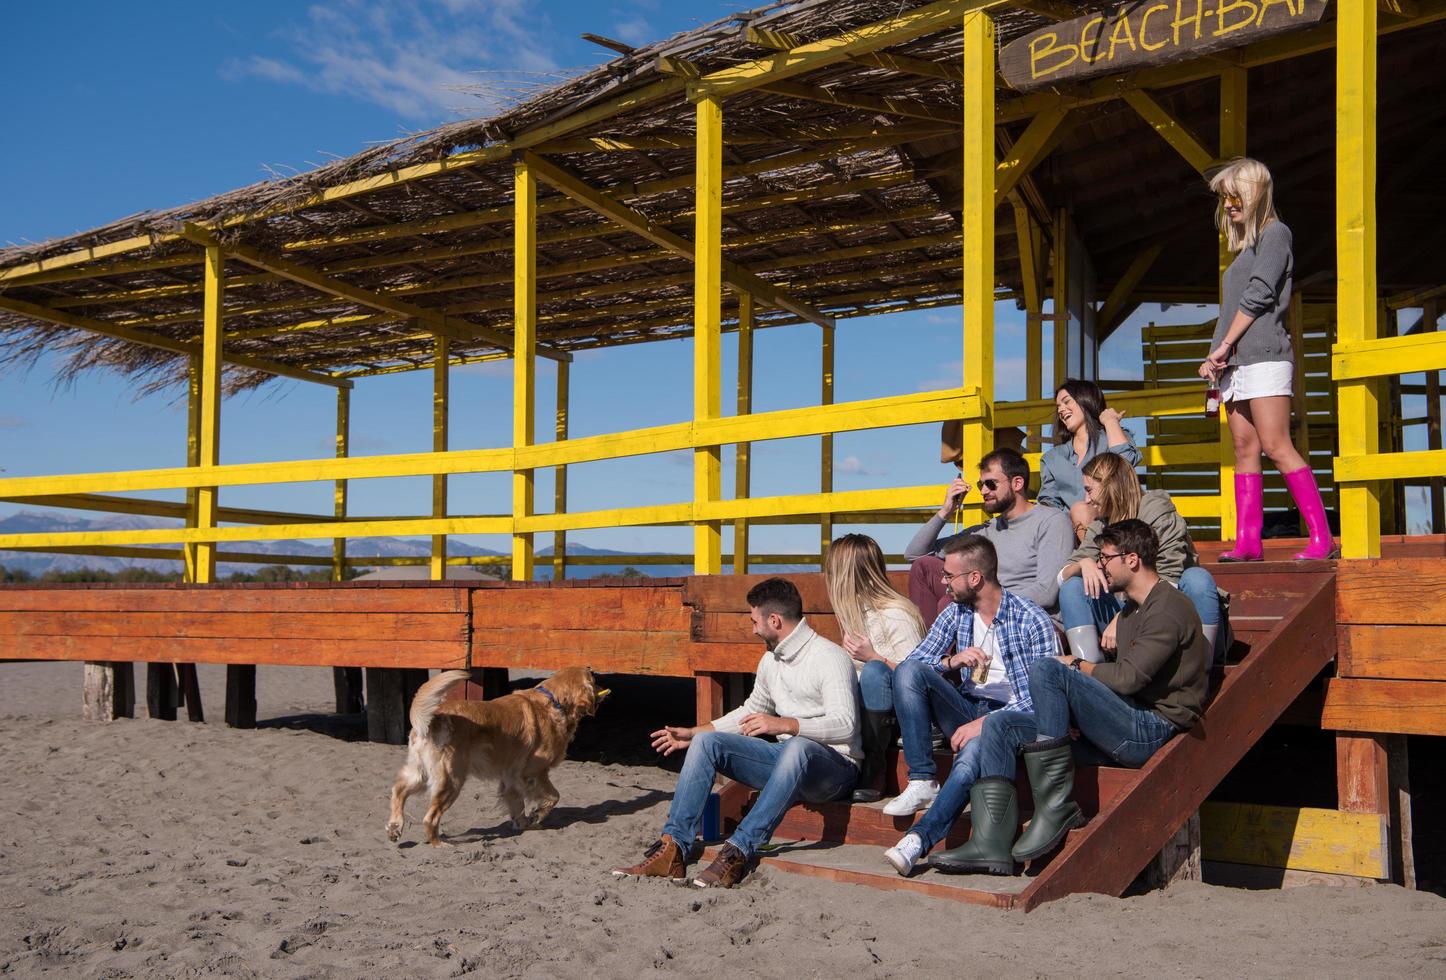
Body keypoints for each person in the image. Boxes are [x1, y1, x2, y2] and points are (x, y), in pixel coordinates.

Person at [937, 519, 1209, 875]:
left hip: (1151, 729)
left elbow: (1128, 679)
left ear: (1131, 559)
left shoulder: (1169, 607)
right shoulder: (1132, 609)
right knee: (1001, 724)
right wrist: (1079, 715)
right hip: (1125, 716)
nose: (1098, 565)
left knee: (1049, 669)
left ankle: (1055, 806)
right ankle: (990, 843)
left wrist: (1075, 664)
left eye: (1105, 558)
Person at [612, 577, 860, 889]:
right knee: (706, 743)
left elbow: (846, 723)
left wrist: (787, 724)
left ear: (774, 620)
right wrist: (693, 733)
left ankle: (738, 850)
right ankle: (673, 849)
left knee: (798, 747)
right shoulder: (771, 659)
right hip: (785, 760)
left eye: (755, 621)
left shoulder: (829, 657)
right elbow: (748, 710)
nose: (753, 629)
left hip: (834, 769)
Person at [878, 536, 1058, 859]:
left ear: (975, 578)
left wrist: (983, 724)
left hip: (1012, 719)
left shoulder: (1031, 619)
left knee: (969, 759)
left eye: (949, 575)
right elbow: (913, 663)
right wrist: (952, 661)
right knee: (908, 673)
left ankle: (917, 840)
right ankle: (921, 779)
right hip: (968, 706)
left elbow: (1042, 699)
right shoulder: (957, 613)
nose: (944, 582)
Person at [1198, 157, 1337, 561]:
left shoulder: (1277, 234)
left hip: (1264, 356)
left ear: (1256, 191)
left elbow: (1259, 294)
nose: (1228, 204)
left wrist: (1224, 345)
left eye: (1234, 195)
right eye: (1224, 198)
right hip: (1234, 363)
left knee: (1276, 445)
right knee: (1244, 448)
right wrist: (1216, 355)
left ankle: (1322, 538)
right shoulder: (1243, 250)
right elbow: (1232, 309)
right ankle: (1247, 543)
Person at [1058, 453, 1221, 664]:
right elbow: (1061, 577)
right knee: (1073, 586)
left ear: (1111, 485)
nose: (1086, 500)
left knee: (1197, 578)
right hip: (1128, 621)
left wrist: (1124, 617)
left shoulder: (1157, 511)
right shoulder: (1101, 523)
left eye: (1090, 490)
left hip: (1171, 617)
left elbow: (1169, 578)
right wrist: (1083, 563)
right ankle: (1088, 673)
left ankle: (1201, 667)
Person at [906, 448, 1074, 625]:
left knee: (951, 602)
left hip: (1031, 620)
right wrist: (946, 510)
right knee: (924, 567)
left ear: (1017, 483)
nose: (983, 491)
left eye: (991, 484)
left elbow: (1046, 593)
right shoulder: (986, 530)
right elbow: (915, 554)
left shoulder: (1051, 521)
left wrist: (983, 600)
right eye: (981, 485)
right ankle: (934, 648)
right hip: (985, 614)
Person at [824, 533, 925, 803]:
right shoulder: (853, 612)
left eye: (832, 570)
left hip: (894, 719)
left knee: (874, 672)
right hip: (860, 714)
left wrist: (873, 656)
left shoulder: (896, 613)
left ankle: (875, 765)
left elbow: (916, 678)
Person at [1038, 379, 1140, 538]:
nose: (1061, 410)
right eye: (1058, 406)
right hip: (1070, 531)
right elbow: (1049, 502)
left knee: (1081, 509)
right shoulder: (1052, 458)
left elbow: (1125, 464)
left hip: (1116, 522)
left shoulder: (1111, 436)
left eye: (1066, 402)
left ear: (1086, 401)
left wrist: (1110, 422)